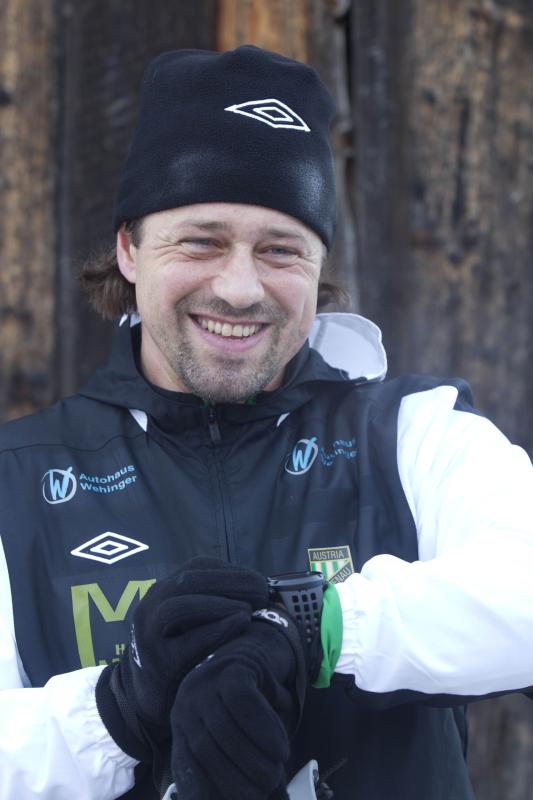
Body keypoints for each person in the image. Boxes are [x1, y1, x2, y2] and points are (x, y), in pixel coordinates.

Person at [0, 44, 532, 800]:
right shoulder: (18, 480)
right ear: (129, 249)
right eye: (202, 240)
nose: (241, 287)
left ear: (319, 268)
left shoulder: (413, 434)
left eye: (281, 250)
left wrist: (319, 627)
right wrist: (117, 707)